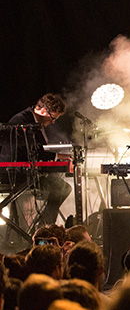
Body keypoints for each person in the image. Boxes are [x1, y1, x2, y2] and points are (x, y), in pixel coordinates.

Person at [0, 93, 72, 228]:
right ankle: (45, 227)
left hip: (23, 170)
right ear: (43, 111)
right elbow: (31, 151)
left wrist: (57, 157)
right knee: (61, 188)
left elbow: (35, 150)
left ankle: (44, 225)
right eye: (52, 118)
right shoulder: (22, 120)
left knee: (62, 187)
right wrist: (58, 157)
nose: (52, 122)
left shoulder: (30, 119)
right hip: (14, 172)